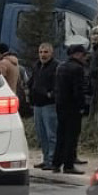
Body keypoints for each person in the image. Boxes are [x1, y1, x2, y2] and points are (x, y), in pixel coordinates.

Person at [52, 44, 89, 175]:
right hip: (73, 107)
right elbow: (78, 90)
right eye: (84, 55)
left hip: (60, 106)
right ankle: (68, 165)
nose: (85, 58)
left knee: (61, 135)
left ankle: (56, 164)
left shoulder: (60, 67)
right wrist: (82, 106)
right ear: (78, 54)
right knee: (71, 137)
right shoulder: (78, 69)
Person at [29, 42, 59, 170]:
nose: (43, 55)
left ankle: (52, 160)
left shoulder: (56, 66)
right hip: (37, 104)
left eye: (46, 52)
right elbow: (33, 81)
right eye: (41, 52)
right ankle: (46, 158)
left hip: (49, 105)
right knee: (41, 134)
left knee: (51, 134)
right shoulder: (36, 66)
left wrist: (50, 94)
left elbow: (58, 85)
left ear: (51, 53)